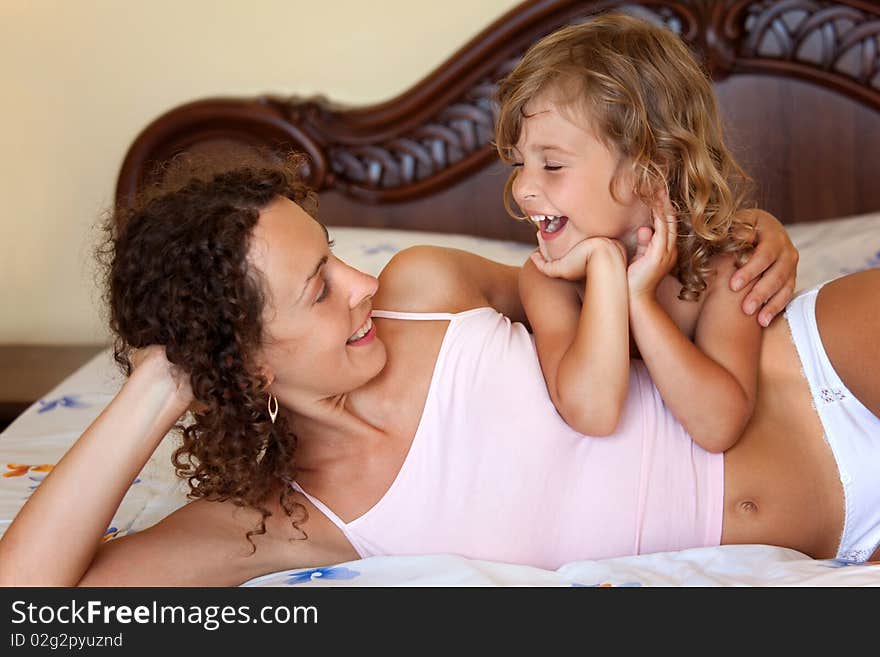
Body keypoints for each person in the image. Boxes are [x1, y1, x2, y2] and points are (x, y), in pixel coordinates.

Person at [0, 155, 876, 587]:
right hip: (835, 526)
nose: (360, 285)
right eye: (318, 290)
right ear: (242, 362)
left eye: (334, 254)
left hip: (811, 363)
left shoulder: (424, 285)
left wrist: (746, 238)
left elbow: (616, 275)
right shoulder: (283, 520)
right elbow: (28, 607)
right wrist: (164, 380)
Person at [495, 14, 766, 450]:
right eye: (518, 164)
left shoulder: (726, 265)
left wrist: (641, 300)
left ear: (647, 171)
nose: (523, 188)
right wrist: (605, 268)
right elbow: (594, 412)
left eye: (553, 164)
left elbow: (719, 427)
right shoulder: (548, 280)